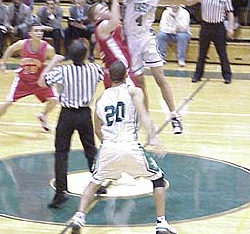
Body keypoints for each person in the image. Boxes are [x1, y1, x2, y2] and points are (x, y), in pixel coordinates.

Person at [110, 0, 220, 134]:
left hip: (146, 37)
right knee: (140, 83)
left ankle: (174, 115)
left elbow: (188, 1)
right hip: (131, 41)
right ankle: (146, 120)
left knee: (160, 77)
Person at [68, 60, 176, 234]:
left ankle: (79, 217)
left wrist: (108, 145)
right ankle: (161, 223)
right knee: (158, 179)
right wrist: (153, 137)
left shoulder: (101, 98)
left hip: (108, 147)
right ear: (127, 74)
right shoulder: (134, 91)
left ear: (109, 77)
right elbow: (143, 114)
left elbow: (97, 128)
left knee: (94, 181)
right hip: (130, 145)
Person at [38, 39, 104, 208]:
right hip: (84, 113)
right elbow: (103, 74)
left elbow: (41, 82)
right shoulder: (94, 69)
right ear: (86, 55)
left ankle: (60, 192)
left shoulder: (63, 70)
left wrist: (52, 62)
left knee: (61, 153)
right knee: (90, 149)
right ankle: (99, 183)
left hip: (67, 115)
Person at [0, 22, 58, 133]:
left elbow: (55, 61)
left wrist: (48, 73)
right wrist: (3, 63)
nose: (39, 33)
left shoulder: (48, 48)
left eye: (41, 31)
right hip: (23, 80)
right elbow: (10, 49)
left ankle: (43, 116)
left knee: (54, 100)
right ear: (30, 33)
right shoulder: (22, 43)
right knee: (8, 101)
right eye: (36, 31)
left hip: (39, 81)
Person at [192, 0, 234, 84]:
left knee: (222, 53)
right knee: (202, 53)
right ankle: (197, 75)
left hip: (219, 27)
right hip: (205, 27)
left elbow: (230, 13)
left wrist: (230, 28)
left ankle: (227, 76)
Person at [88, 0, 138, 88]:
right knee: (136, 98)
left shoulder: (107, 27)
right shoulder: (102, 25)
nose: (106, 7)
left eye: (105, 6)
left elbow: (117, 19)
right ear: (97, 17)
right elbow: (115, 20)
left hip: (119, 71)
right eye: (102, 9)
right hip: (118, 75)